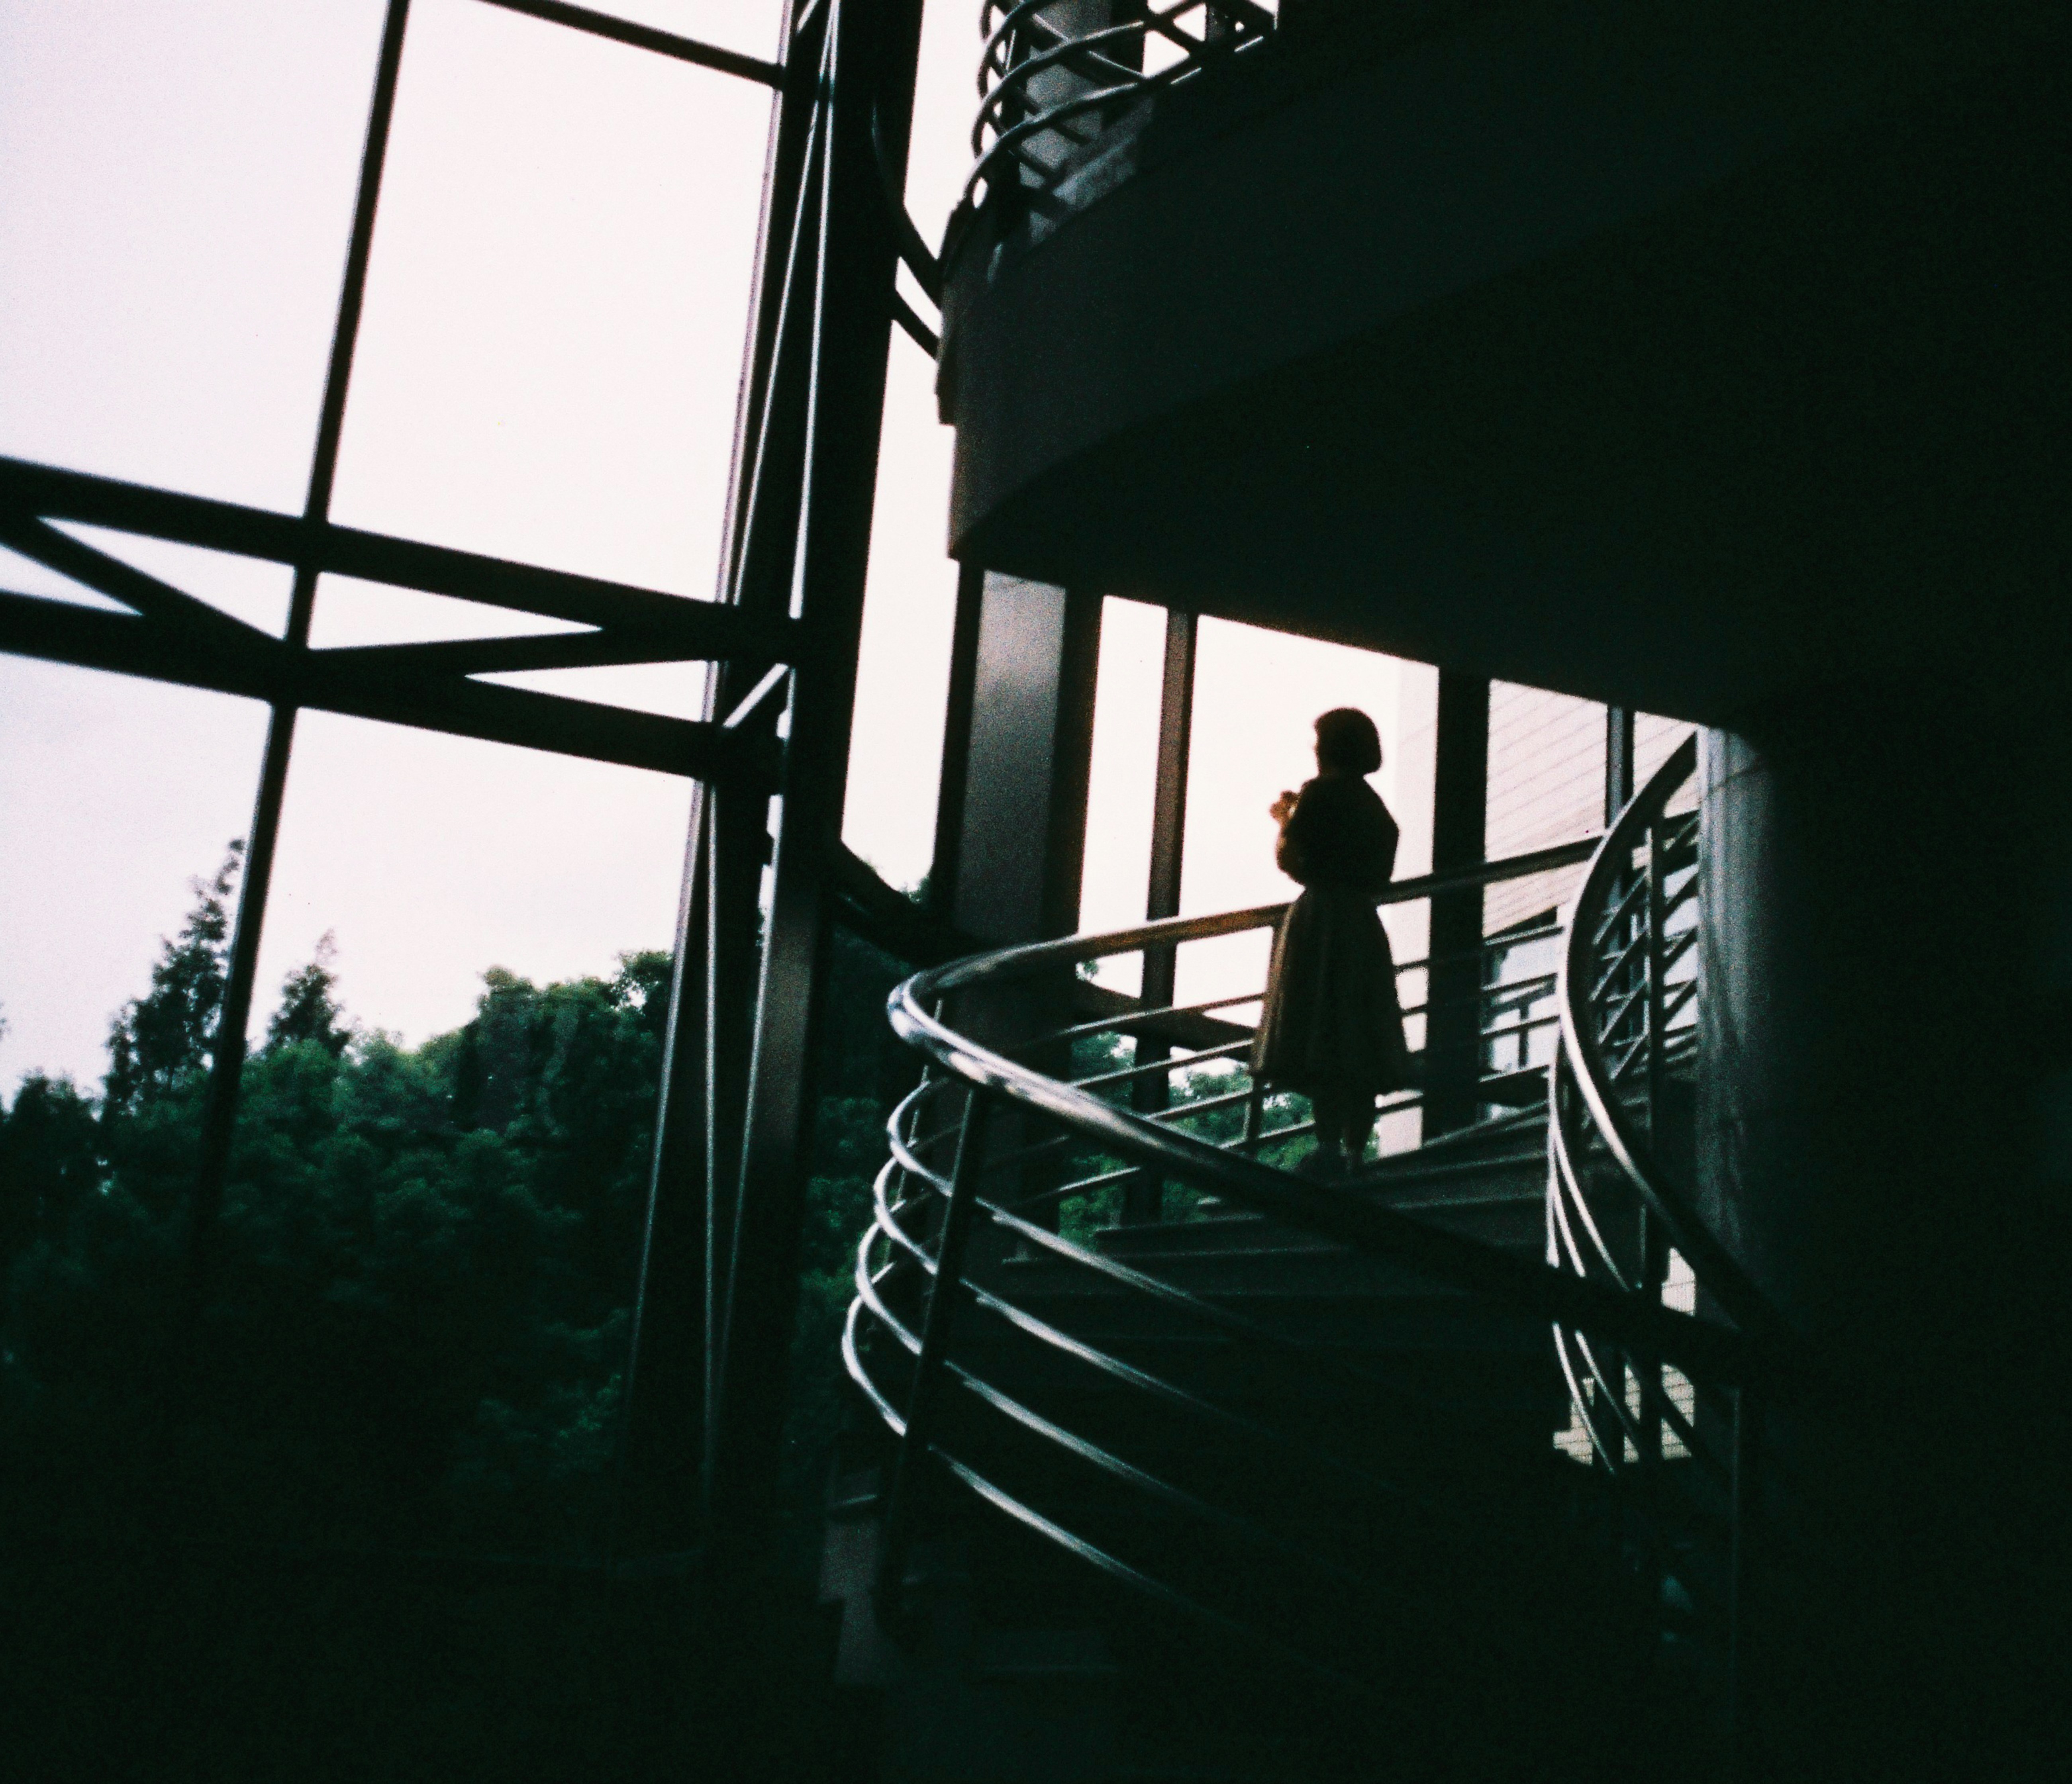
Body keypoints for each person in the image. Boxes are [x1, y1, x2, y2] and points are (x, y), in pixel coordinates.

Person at [1250, 707, 1413, 1175]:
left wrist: (1284, 819)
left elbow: (1291, 861)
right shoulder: (1374, 807)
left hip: (1320, 921)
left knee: (1321, 1028)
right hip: (1362, 925)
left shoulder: (1319, 793)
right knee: (1357, 1034)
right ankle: (1355, 1151)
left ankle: (1325, 1146)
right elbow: (1379, 873)